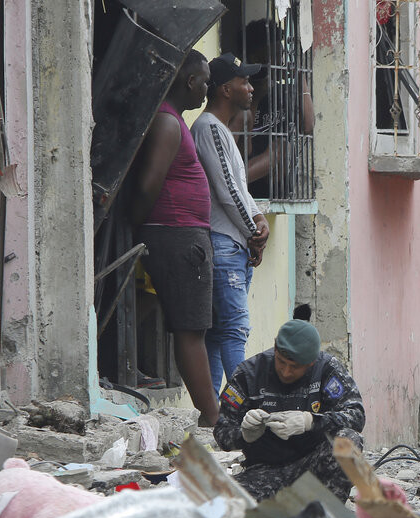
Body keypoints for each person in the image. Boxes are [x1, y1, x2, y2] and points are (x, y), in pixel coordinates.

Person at [128, 49, 219, 426]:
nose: (207, 89)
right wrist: (134, 223)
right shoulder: (167, 122)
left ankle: (211, 413)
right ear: (190, 81)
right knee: (190, 327)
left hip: (181, 233)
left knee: (188, 324)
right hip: (178, 235)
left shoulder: (173, 119)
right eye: (206, 81)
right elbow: (149, 183)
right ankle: (213, 417)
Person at [213, 320, 366, 502]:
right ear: (275, 349)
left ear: (311, 363)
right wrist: (244, 435)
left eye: (295, 367)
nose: (286, 372)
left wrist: (311, 421)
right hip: (265, 470)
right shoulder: (248, 375)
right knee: (221, 504)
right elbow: (222, 432)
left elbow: (356, 415)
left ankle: (326, 514)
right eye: (281, 362)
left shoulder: (326, 369)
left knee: (348, 440)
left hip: (315, 466)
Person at [191, 53, 271, 394]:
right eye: (244, 82)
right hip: (224, 243)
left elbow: (239, 187)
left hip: (231, 243)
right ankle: (244, 405)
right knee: (235, 328)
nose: (250, 88)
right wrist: (254, 230)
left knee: (219, 330)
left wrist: (259, 220)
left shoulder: (220, 130)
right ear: (226, 89)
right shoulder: (209, 127)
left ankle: (214, 410)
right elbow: (227, 190)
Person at [231, 19, 314, 199]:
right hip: (251, 189)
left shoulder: (282, 92)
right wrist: (255, 99)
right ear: (256, 58)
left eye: (282, 53)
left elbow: (308, 126)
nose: (281, 60)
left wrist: (301, 80)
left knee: (283, 146)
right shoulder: (241, 95)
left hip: (278, 189)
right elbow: (245, 149)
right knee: (281, 147)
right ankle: (233, 183)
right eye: (276, 54)